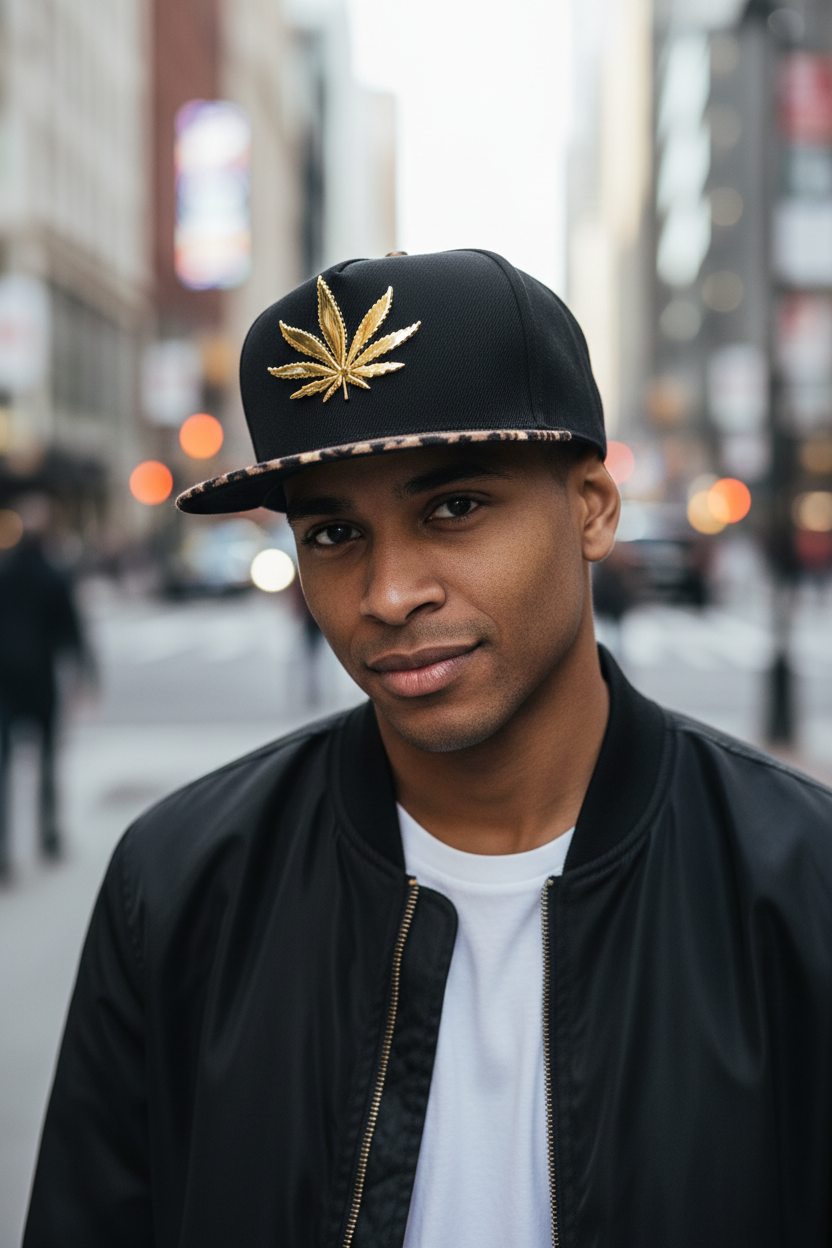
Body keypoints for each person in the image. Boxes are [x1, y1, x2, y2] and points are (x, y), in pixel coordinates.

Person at [24, 251, 832, 1247]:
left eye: (453, 507)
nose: (388, 592)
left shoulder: (800, 888)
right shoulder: (184, 887)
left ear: (590, 506)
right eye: (332, 534)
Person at [0, 495, 85, 879]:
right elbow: (70, 628)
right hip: (39, 677)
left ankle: (4, 853)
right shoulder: (53, 571)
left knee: (6, 766)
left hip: (6, 677)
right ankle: (48, 835)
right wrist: (83, 674)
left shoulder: (6, 570)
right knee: (48, 760)